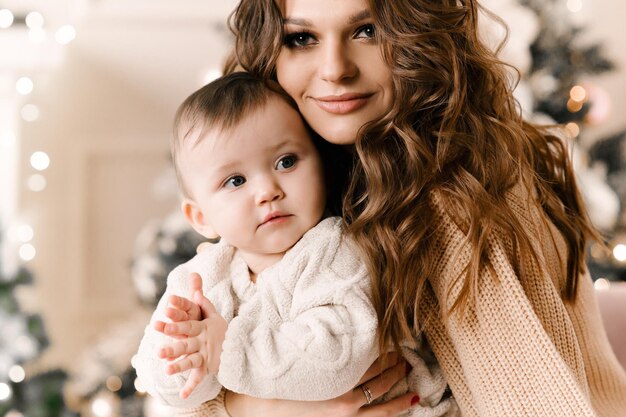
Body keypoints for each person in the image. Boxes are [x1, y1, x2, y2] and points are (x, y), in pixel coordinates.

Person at [170, 0, 626, 416]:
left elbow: (530, 400)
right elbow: (183, 389)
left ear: (418, 38)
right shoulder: (300, 182)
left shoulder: (460, 192)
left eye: (367, 31)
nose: (334, 69)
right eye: (302, 38)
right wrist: (259, 408)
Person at [134, 72, 452, 415]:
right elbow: (171, 390)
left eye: (286, 162)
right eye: (235, 180)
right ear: (200, 218)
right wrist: (180, 352)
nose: (267, 190)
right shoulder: (199, 278)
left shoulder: (334, 252)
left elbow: (335, 359)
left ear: (321, 167)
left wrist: (225, 349)